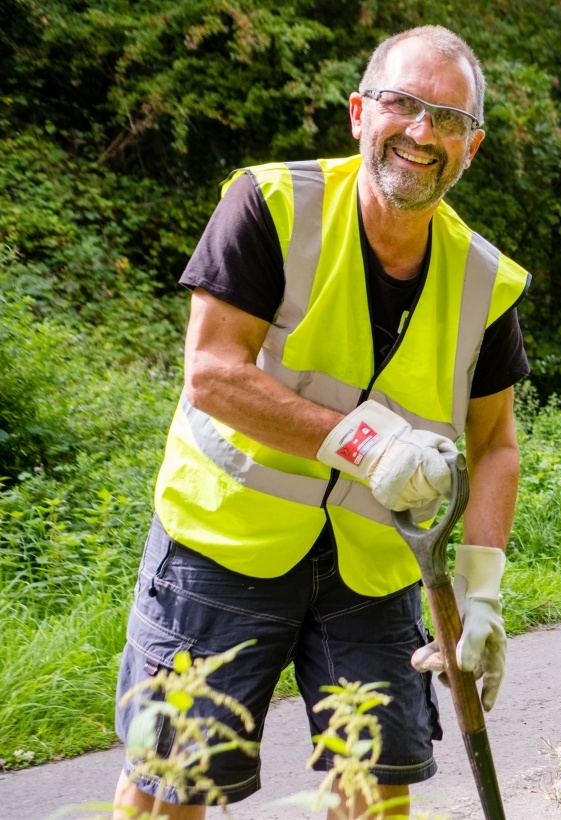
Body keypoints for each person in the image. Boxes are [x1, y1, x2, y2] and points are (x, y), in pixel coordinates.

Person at [111, 26, 528, 820]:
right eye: (403, 104)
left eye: (448, 118)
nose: (421, 132)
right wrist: (369, 444)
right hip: (224, 544)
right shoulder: (272, 204)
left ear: (471, 147)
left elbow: (494, 440)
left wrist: (481, 592)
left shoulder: (485, 279)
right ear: (357, 112)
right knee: (173, 785)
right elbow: (211, 373)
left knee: (376, 790)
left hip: (374, 567)